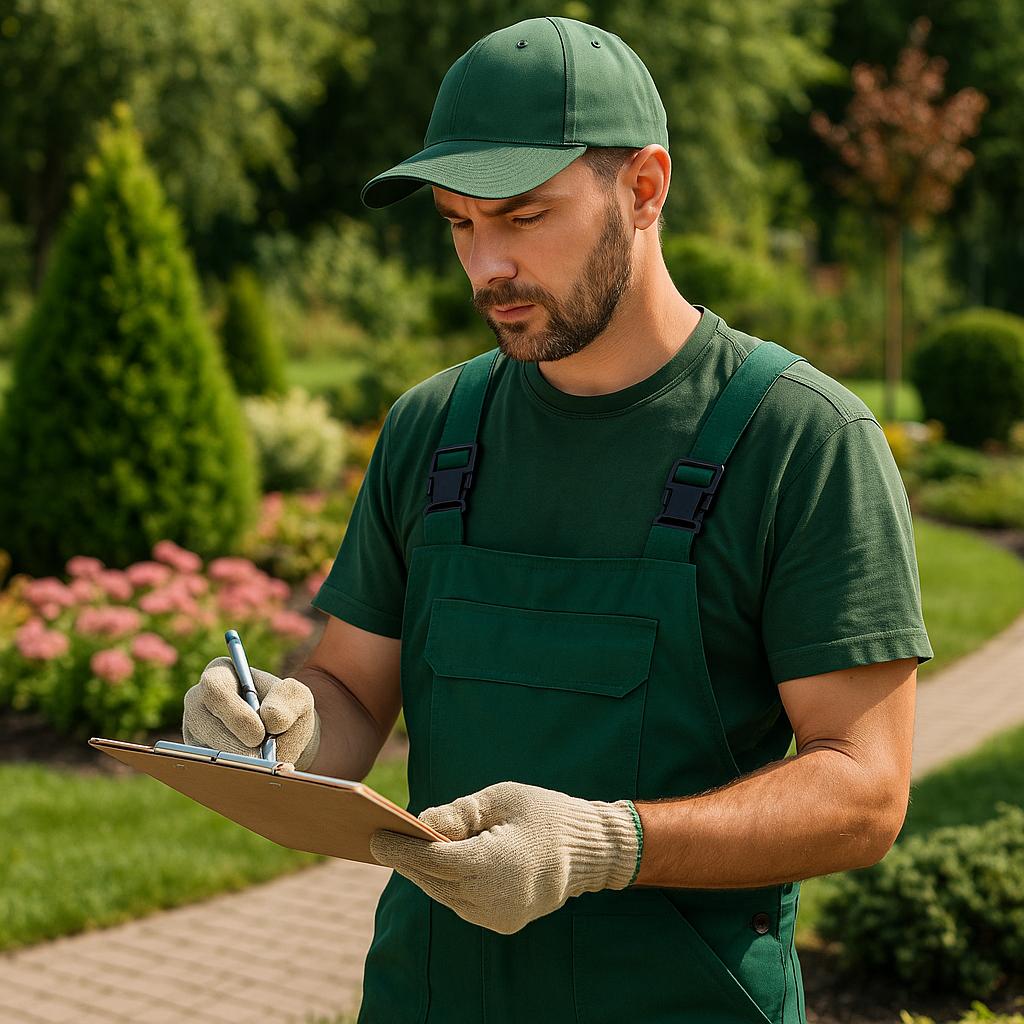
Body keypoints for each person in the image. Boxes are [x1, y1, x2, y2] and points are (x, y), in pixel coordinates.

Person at [183, 15, 933, 1023]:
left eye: (523, 216)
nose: (485, 263)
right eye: (457, 222)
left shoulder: (799, 439)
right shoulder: (432, 429)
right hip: (427, 998)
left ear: (644, 188)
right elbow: (352, 690)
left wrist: (603, 842)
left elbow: (863, 793)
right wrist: (277, 732)